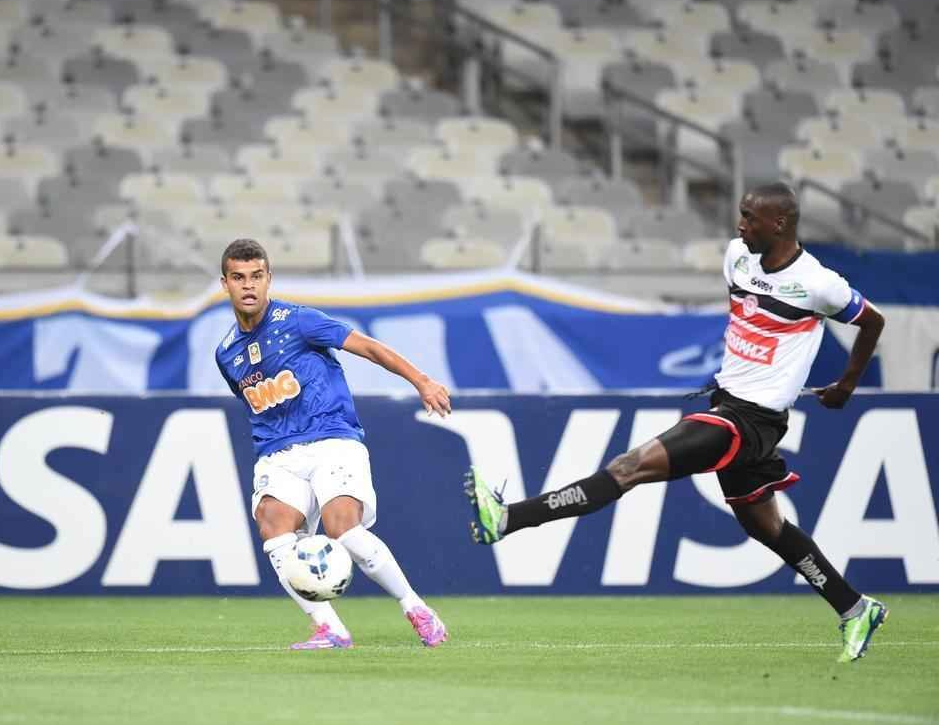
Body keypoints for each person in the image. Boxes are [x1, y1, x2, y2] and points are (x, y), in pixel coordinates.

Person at [465, 183, 889, 664]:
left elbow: (872, 321)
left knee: (628, 467)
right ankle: (856, 607)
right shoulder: (737, 257)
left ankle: (506, 519)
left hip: (750, 421)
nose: (740, 225)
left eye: (750, 217)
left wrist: (846, 385)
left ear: (781, 224)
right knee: (767, 528)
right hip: (728, 403)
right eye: (741, 214)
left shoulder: (818, 283)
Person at [215, 238, 451, 650]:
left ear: (269, 279)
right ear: (225, 284)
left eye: (256, 276)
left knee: (342, 527)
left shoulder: (299, 321)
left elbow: (370, 348)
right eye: (238, 277)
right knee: (273, 528)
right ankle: (330, 628)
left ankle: (416, 607)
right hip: (276, 453)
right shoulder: (227, 353)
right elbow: (255, 405)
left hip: (330, 439)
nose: (248, 285)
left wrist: (423, 381)